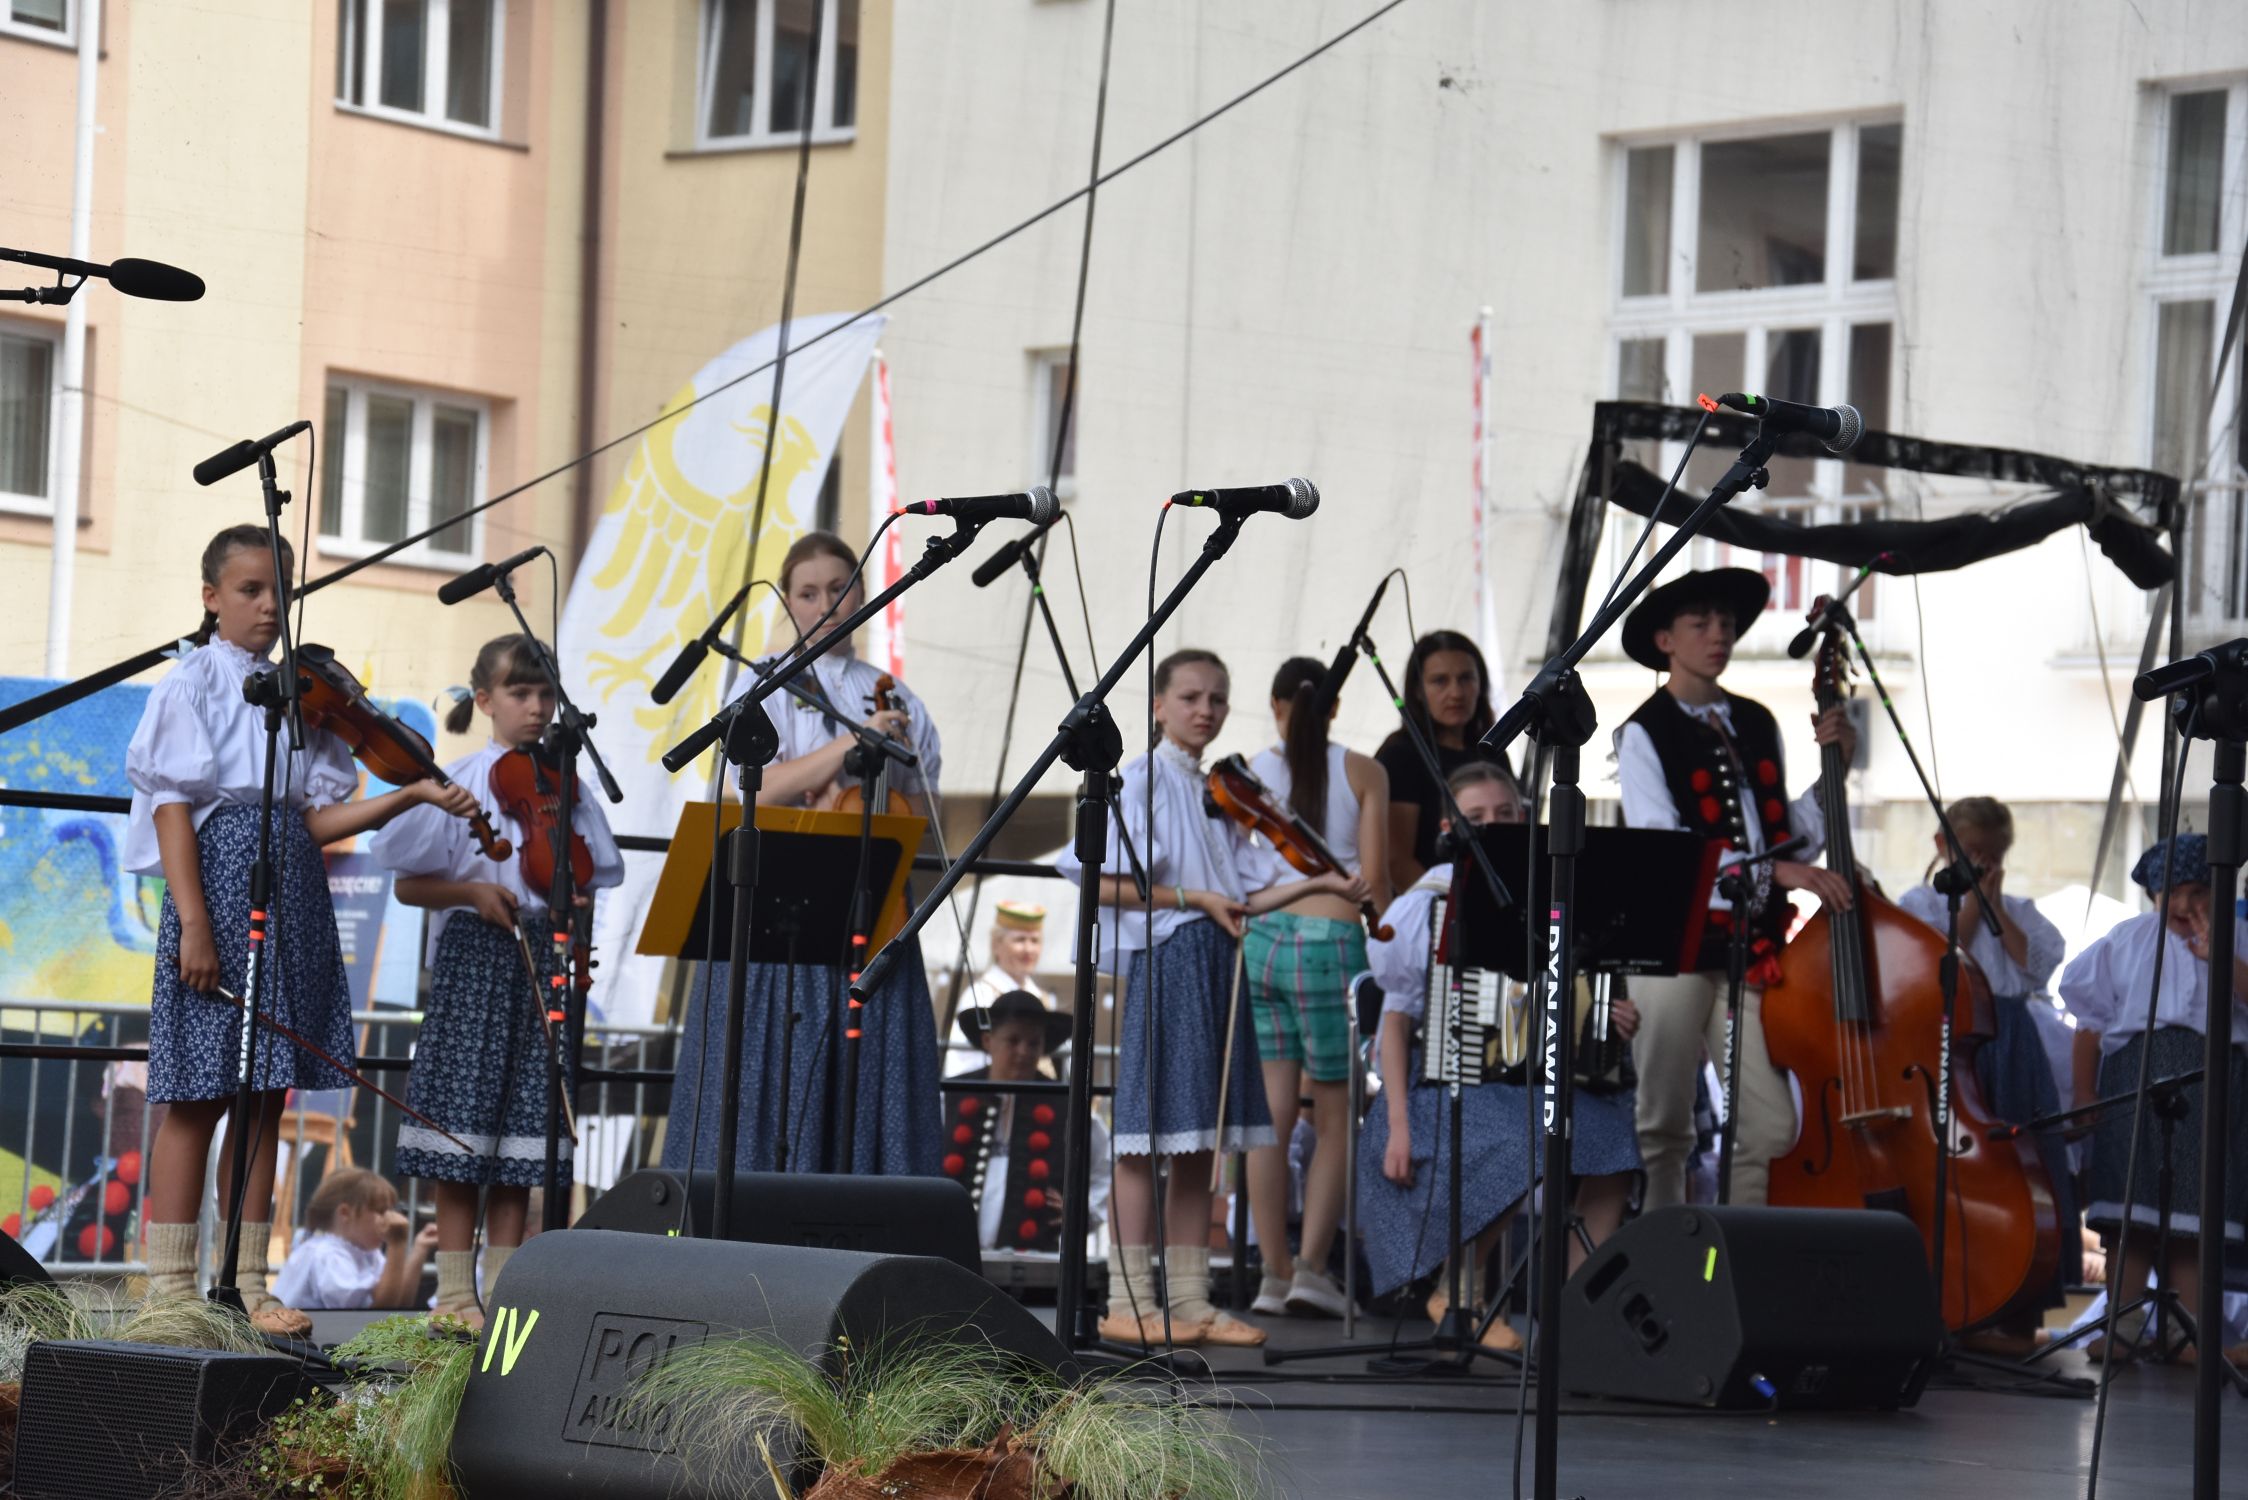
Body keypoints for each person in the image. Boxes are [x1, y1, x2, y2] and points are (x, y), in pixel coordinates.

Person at [126, 525, 479, 1337]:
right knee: (196, 1095)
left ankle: (249, 1284)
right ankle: (170, 1290)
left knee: (263, 1100)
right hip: (218, 887)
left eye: (280, 592)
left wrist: (406, 795)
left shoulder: (299, 697)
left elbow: (314, 820)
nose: (267, 606)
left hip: (293, 892)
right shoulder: (192, 682)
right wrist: (193, 923)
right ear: (211, 596)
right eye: (249, 590)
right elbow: (172, 807)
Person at [1058, 648, 1366, 1348]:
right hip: (1171, 957)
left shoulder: (1218, 790)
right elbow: (1097, 882)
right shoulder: (1139, 780)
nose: (1206, 710)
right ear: (1158, 705)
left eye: (1217, 699)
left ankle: (1190, 1300)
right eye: (1191, 697)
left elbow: (1246, 892)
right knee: (1144, 1137)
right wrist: (1194, 899)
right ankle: (1129, 1300)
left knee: (1201, 1138)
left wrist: (1325, 882)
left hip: (1220, 960)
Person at [663, 531, 944, 1178]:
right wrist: (846, 751)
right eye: (809, 593)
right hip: (780, 905)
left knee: (869, 1082)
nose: (826, 606)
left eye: (839, 591)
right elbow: (745, 790)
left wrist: (864, 786)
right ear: (788, 603)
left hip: (871, 906)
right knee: (765, 1081)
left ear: (863, 597)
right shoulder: (761, 683)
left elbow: (921, 810)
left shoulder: (897, 696)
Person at [370, 634, 625, 1328]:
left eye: (545, 694)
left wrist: (575, 920)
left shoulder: (565, 785)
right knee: (464, 1129)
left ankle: (505, 1292)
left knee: (522, 1141)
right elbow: (409, 885)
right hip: (478, 955)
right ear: (484, 700)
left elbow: (593, 873)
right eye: (519, 693)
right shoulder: (462, 782)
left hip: (544, 955)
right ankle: (454, 1296)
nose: (536, 708)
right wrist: (471, 891)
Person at [1359, 761, 1640, 1350]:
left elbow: (1585, 992)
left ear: (1526, 816)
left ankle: (1576, 1318)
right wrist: (1398, 1126)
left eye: (1506, 813)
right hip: (1441, 1085)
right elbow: (1395, 1022)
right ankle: (1459, 1294)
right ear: (1450, 827)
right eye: (1478, 816)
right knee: (1527, 1137)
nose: (1495, 824)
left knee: (1615, 1145)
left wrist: (1611, 1018)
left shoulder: (1558, 891)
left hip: (1538, 1082)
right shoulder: (1427, 903)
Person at [1613, 567, 1854, 1209]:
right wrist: (1774, 873)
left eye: (1725, 623)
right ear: (1665, 640)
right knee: (1665, 1125)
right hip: (1671, 944)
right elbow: (1668, 849)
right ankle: (1666, 1246)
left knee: (1770, 1125)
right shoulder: (1642, 733)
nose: (1719, 634)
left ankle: (1739, 1251)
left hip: (1747, 945)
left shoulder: (1755, 720)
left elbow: (1786, 837)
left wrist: (1835, 774)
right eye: (1701, 623)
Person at [1895, 796, 2081, 1342]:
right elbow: (1943, 956)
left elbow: (2036, 967)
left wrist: (1994, 901)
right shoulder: (1919, 903)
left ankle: (2023, 1304)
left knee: (2026, 1164)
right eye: (1971, 851)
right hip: (1954, 1033)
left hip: (2012, 1037)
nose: (1982, 862)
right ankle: (1955, 1302)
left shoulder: (2021, 909)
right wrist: (1972, 901)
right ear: (1943, 846)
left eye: (1992, 854)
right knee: (1961, 1169)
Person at [2058, 833, 2248, 1363]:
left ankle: (2187, 1333)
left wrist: (2220, 956)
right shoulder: (2127, 939)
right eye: (2172, 893)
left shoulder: (2238, 937)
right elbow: (2090, 1020)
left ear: (2219, 890)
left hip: (2212, 1081)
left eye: (2197, 891)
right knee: (2129, 1211)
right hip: (2134, 1078)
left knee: (2193, 1213)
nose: (2185, 903)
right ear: (2152, 894)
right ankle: (2122, 1326)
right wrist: (2085, 1090)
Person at [1242, 657, 1390, 1319]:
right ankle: (1311, 1269)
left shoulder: (1249, 772)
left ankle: (1271, 1274)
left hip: (1262, 941)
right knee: (1336, 1118)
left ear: (1276, 706)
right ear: (1333, 708)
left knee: (1269, 1118)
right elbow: (1375, 885)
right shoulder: (1363, 771)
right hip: (1331, 942)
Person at [941, 989, 1109, 1252]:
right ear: (988, 1040)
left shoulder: (1065, 1103)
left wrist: (1081, 1211)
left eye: (1033, 1043)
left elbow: (1105, 1166)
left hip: (1033, 1258)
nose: (1023, 1051)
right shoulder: (951, 1094)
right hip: (952, 1254)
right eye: (1013, 1040)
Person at [1374, 630, 1509, 895]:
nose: (1456, 692)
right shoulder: (1401, 755)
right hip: (1431, 906)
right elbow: (1397, 862)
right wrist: (1449, 905)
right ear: (1418, 691)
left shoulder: (1492, 750)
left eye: (1466, 678)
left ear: (1481, 684)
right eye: (1440, 681)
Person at [271, 1168, 439, 1311]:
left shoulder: (366, 1252)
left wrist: (419, 1249)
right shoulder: (326, 1254)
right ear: (345, 1213)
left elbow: (400, 1302)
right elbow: (376, 1314)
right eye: (381, 1211)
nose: (390, 1218)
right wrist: (396, 1245)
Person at [948, 901, 1054, 1077]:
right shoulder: (979, 995)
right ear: (996, 945)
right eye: (1020, 940)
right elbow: (964, 1064)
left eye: (1035, 941)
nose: (1028, 949)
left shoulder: (1041, 996)